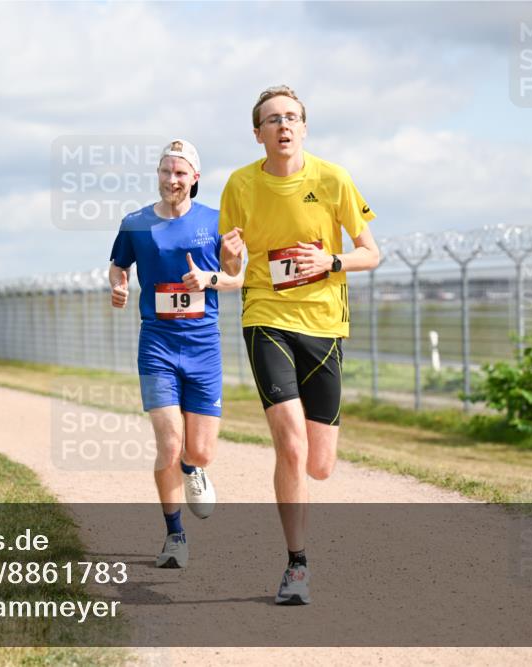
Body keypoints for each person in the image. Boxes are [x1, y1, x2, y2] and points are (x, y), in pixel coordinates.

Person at [218, 86, 380, 604]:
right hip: (266, 315)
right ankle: (297, 565)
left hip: (324, 324)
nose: (283, 125)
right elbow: (231, 266)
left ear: (304, 128)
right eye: (272, 119)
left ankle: (306, 495)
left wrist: (331, 262)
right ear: (258, 133)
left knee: (318, 464)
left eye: (291, 117)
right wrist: (229, 254)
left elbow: (371, 253)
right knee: (290, 445)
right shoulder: (240, 184)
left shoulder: (333, 179)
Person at [109, 139, 244, 569]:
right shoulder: (135, 223)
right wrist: (118, 285)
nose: (172, 179)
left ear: (195, 178)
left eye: (181, 172)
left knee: (199, 452)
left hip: (203, 347)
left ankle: (193, 469)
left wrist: (211, 277)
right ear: (158, 174)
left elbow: (237, 278)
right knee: (169, 445)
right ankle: (174, 535)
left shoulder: (217, 220)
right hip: (157, 344)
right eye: (166, 171)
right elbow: (118, 265)